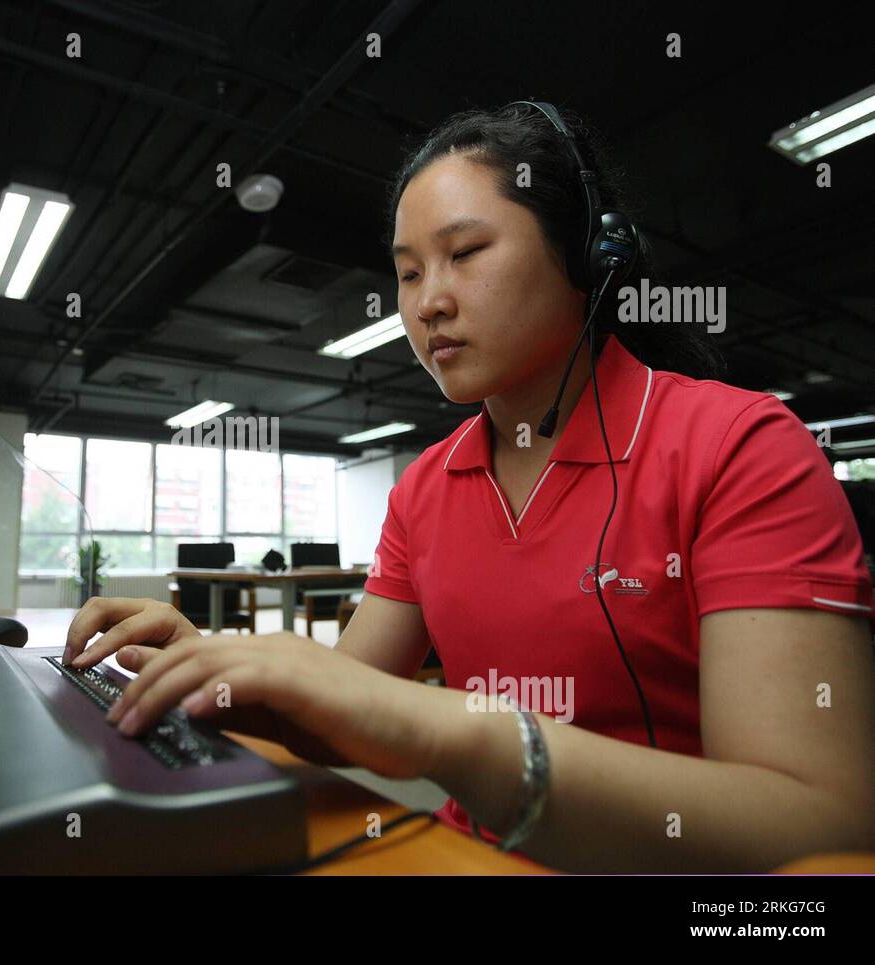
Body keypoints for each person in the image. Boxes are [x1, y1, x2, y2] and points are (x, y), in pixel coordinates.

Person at [58, 102, 875, 873]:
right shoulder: (425, 487)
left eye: (466, 253)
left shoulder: (740, 447)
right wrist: (218, 669)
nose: (428, 303)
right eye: (408, 274)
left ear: (588, 254)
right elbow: (354, 715)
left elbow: (819, 826)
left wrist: (464, 731)